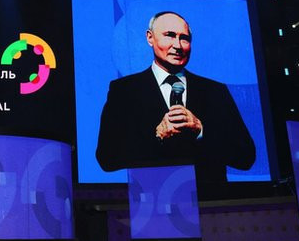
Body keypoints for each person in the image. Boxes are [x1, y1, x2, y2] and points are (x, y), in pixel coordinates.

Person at [95, 11, 255, 185]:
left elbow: (246, 156)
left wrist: (201, 130)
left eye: (184, 38)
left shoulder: (215, 91)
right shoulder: (124, 91)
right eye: (169, 35)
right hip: (152, 205)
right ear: (150, 38)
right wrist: (157, 136)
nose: (178, 45)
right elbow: (107, 158)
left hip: (210, 204)